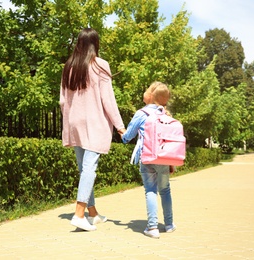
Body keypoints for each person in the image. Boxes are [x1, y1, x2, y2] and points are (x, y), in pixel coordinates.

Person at [60, 28, 126, 231]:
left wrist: (69, 123)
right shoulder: (100, 65)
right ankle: (79, 215)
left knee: (83, 169)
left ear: (78, 44)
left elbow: (63, 101)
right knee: (89, 168)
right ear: (95, 44)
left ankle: (93, 213)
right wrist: (120, 126)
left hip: (74, 122)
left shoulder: (69, 67)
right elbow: (108, 100)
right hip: (93, 122)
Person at [121, 81, 176, 238]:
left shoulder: (142, 114)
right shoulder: (166, 115)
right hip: (164, 158)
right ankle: (170, 224)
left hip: (147, 158)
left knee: (150, 191)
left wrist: (122, 132)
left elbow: (127, 137)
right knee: (165, 190)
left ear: (151, 95)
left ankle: (152, 228)